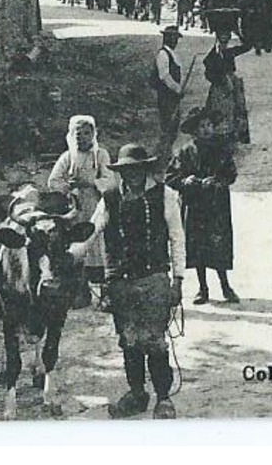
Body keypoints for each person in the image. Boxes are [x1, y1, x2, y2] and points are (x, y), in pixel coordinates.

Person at [97, 144, 186, 419]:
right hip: (121, 283)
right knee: (129, 340)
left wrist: (178, 280)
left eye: (136, 169)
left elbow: (177, 238)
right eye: (126, 171)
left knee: (155, 341)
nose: (131, 175)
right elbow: (92, 231)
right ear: (120, 172)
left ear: (145, 169)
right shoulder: (110, 198)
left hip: (154, 279)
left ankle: (163, 398)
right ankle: (136, 393)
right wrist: (68, 253)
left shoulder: (166, 196)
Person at [166, 107, 240, 305]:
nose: (206, 130)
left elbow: (231, 174)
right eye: (202, 126)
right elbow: (170, 177)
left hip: (216, 205)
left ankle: (225, 286)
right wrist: (185, 181)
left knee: (218, 243)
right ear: (194, 131)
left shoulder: (221, 149)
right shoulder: (185, 152)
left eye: (209, 125)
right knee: (198, 245)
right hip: (194, 204)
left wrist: (217, 181)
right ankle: (202, 288)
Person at [47, 115, 113, 309]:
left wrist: (92, 183)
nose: (82, 137)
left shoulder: (101, 155)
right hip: (75, 207)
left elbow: (109, 179)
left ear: (93, 134)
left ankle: (106, 294)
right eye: (78, 134)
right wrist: (68, 188)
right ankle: (81, 292)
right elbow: (53, 180)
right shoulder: (68, 157)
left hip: (96, 204)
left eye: (87, 133)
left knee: (98, 244)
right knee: (77, 246)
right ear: (71, 135)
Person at [204, 30, 254, 145]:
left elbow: (247, 46)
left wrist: (239, 33)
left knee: (236, 110)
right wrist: (221, 79)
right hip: (220, 88)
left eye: (226, 39)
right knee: (219, 114)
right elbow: (208, 74)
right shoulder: (212, 55)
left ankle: (235, 138)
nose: (224, 43)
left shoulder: (229, 52)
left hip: (232, 84)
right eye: (222, 39)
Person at [152, 26, 187, 150]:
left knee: (174, 125)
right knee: (168, 124)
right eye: (171, 37)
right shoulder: (163, 54)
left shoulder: (173, 54)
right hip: (166, 95)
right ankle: (164, 151)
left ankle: (169, 150)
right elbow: (164, 76)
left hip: (172, 96)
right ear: (165, 38)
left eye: (176, 38)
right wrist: (178, 89)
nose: (174, 40)